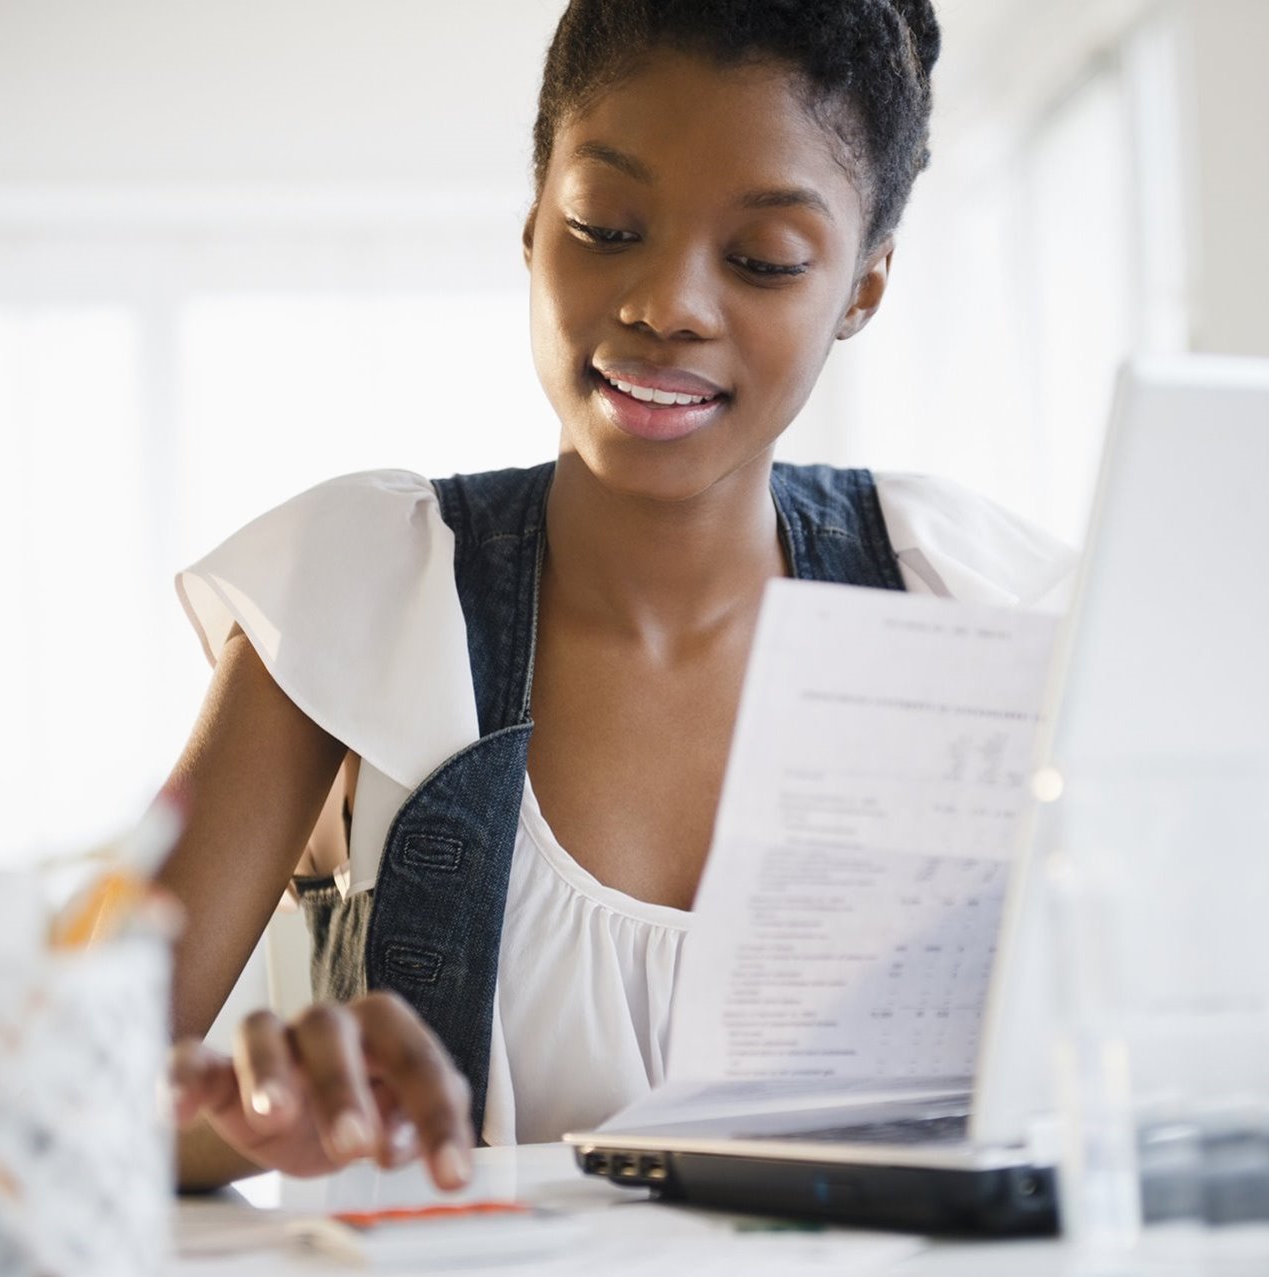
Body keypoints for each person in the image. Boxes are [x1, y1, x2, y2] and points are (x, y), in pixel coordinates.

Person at [158, 0, 1073, 1193]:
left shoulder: (965, 605)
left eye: (763, 260)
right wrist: (261, 1127)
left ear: (863, 287)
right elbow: (37, 1114)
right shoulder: (360, 597)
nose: (665, 303)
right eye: (607, 225)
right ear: (535, 220)